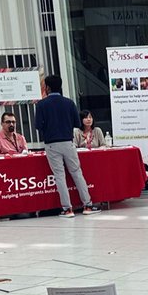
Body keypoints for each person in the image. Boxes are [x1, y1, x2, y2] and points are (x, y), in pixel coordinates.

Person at [35, 74, 96, 216]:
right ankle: (87, 206)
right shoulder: (69, 103)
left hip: (51, 144)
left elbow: (38, 125)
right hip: (68, 143)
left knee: (59, 176)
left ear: (47, 88)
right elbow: (77, 123)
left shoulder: (41, 105)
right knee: (77, 173)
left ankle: (67, 209)